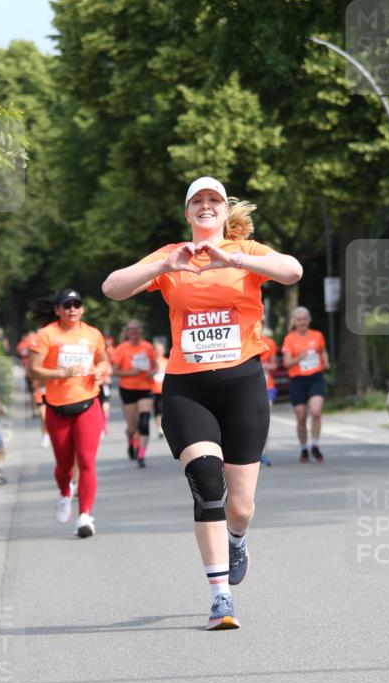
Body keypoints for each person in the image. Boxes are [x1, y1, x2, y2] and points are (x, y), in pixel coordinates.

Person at [102, 175, 302, 630]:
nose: (206, 207)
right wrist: (164, 266)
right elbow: (112, 287)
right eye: (198, 201)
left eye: (214, 200)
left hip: (243, 386)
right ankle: (220, 597)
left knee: (242, 504)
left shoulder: (246, 254)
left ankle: (237, 538)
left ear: (224, 209)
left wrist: (229, 258)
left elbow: (293, 272)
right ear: (188, 212)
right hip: (187, 388)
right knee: (207, 482)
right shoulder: (172, 256)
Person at [27, 288, 108, 538]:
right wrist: (63, 373)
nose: (73, 309)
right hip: (57, 407)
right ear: (58, 310)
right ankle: (65, 493)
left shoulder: (93, 334)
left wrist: (99, 370)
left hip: (87, 403)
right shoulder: (47, 335)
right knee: (63, 466)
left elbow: (104, 360)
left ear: (82, 309)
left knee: (86, 461)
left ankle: (85, 516)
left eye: (77, 304)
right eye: (67, 305)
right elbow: (33, 371)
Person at [282, 306, 329, 463]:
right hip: (298, 380)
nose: (302, 322)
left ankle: (315, 445)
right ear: (295, 322)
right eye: (299, 319)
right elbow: (286, 363)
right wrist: (298, 359)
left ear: (308, 320)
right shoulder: (290, 339)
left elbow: (323, 351)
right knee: (301, 417)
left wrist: (326, 361)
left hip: (315, 377)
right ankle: (303, 448)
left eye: (304, 319)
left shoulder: (317, 335)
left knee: (315, 412)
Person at [111, 320, 155, 468]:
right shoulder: (121, 349)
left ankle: (141, 455)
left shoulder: (148, 347)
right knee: (132, 426)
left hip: (145, 388)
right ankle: (131, 442)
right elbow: (114, 371)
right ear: (127, 332)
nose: (134, 332)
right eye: (131, 330)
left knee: (144, 421)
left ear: (140, 331)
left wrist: (151, 373)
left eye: (137, 329)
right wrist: (132, 372)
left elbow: (155, 367)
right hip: (128, 389)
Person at [259, 327, 278, 467]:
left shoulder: (269, 343)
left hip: (268, 387)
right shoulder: (242, 340)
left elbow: (274, 364)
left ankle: (263, 454)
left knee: (264, 421)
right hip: (248, 388)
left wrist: (266, 366)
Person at [152, 339, 169, 438]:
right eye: (157, 350)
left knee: (165, 410)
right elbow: (146, 374)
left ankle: (165, 427)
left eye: (160, 349)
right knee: (157, 410)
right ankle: (159, 428)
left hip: (165, 389)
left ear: (163, 350)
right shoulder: (151, 361)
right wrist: (155, 370)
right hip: (154, 389)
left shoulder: (167, 361)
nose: (159, 351)